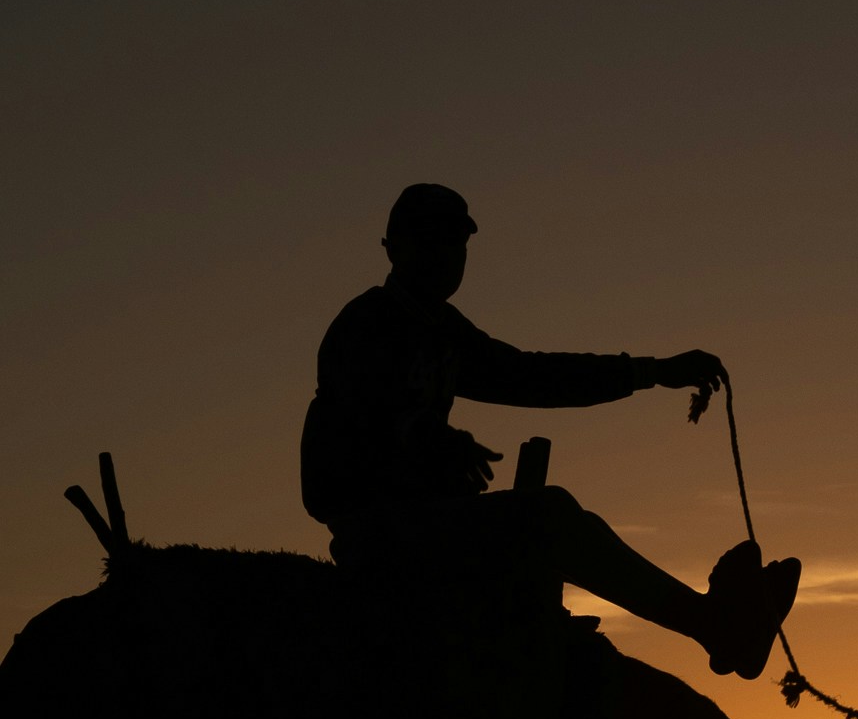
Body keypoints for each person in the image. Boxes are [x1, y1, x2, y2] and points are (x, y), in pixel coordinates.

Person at [300, 183, 799, 676]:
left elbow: (534, 377)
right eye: (431, 239)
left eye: (456, 242)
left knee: (572, 521)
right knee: (549, 515)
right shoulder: (366, 325)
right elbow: (350, 436)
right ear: (394, 248)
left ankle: (711, 623)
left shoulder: (444, 332)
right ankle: (715, 625)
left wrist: (655, 371)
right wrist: (430, 444)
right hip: (382, 533)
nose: (446, 255)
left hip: (424, 521)